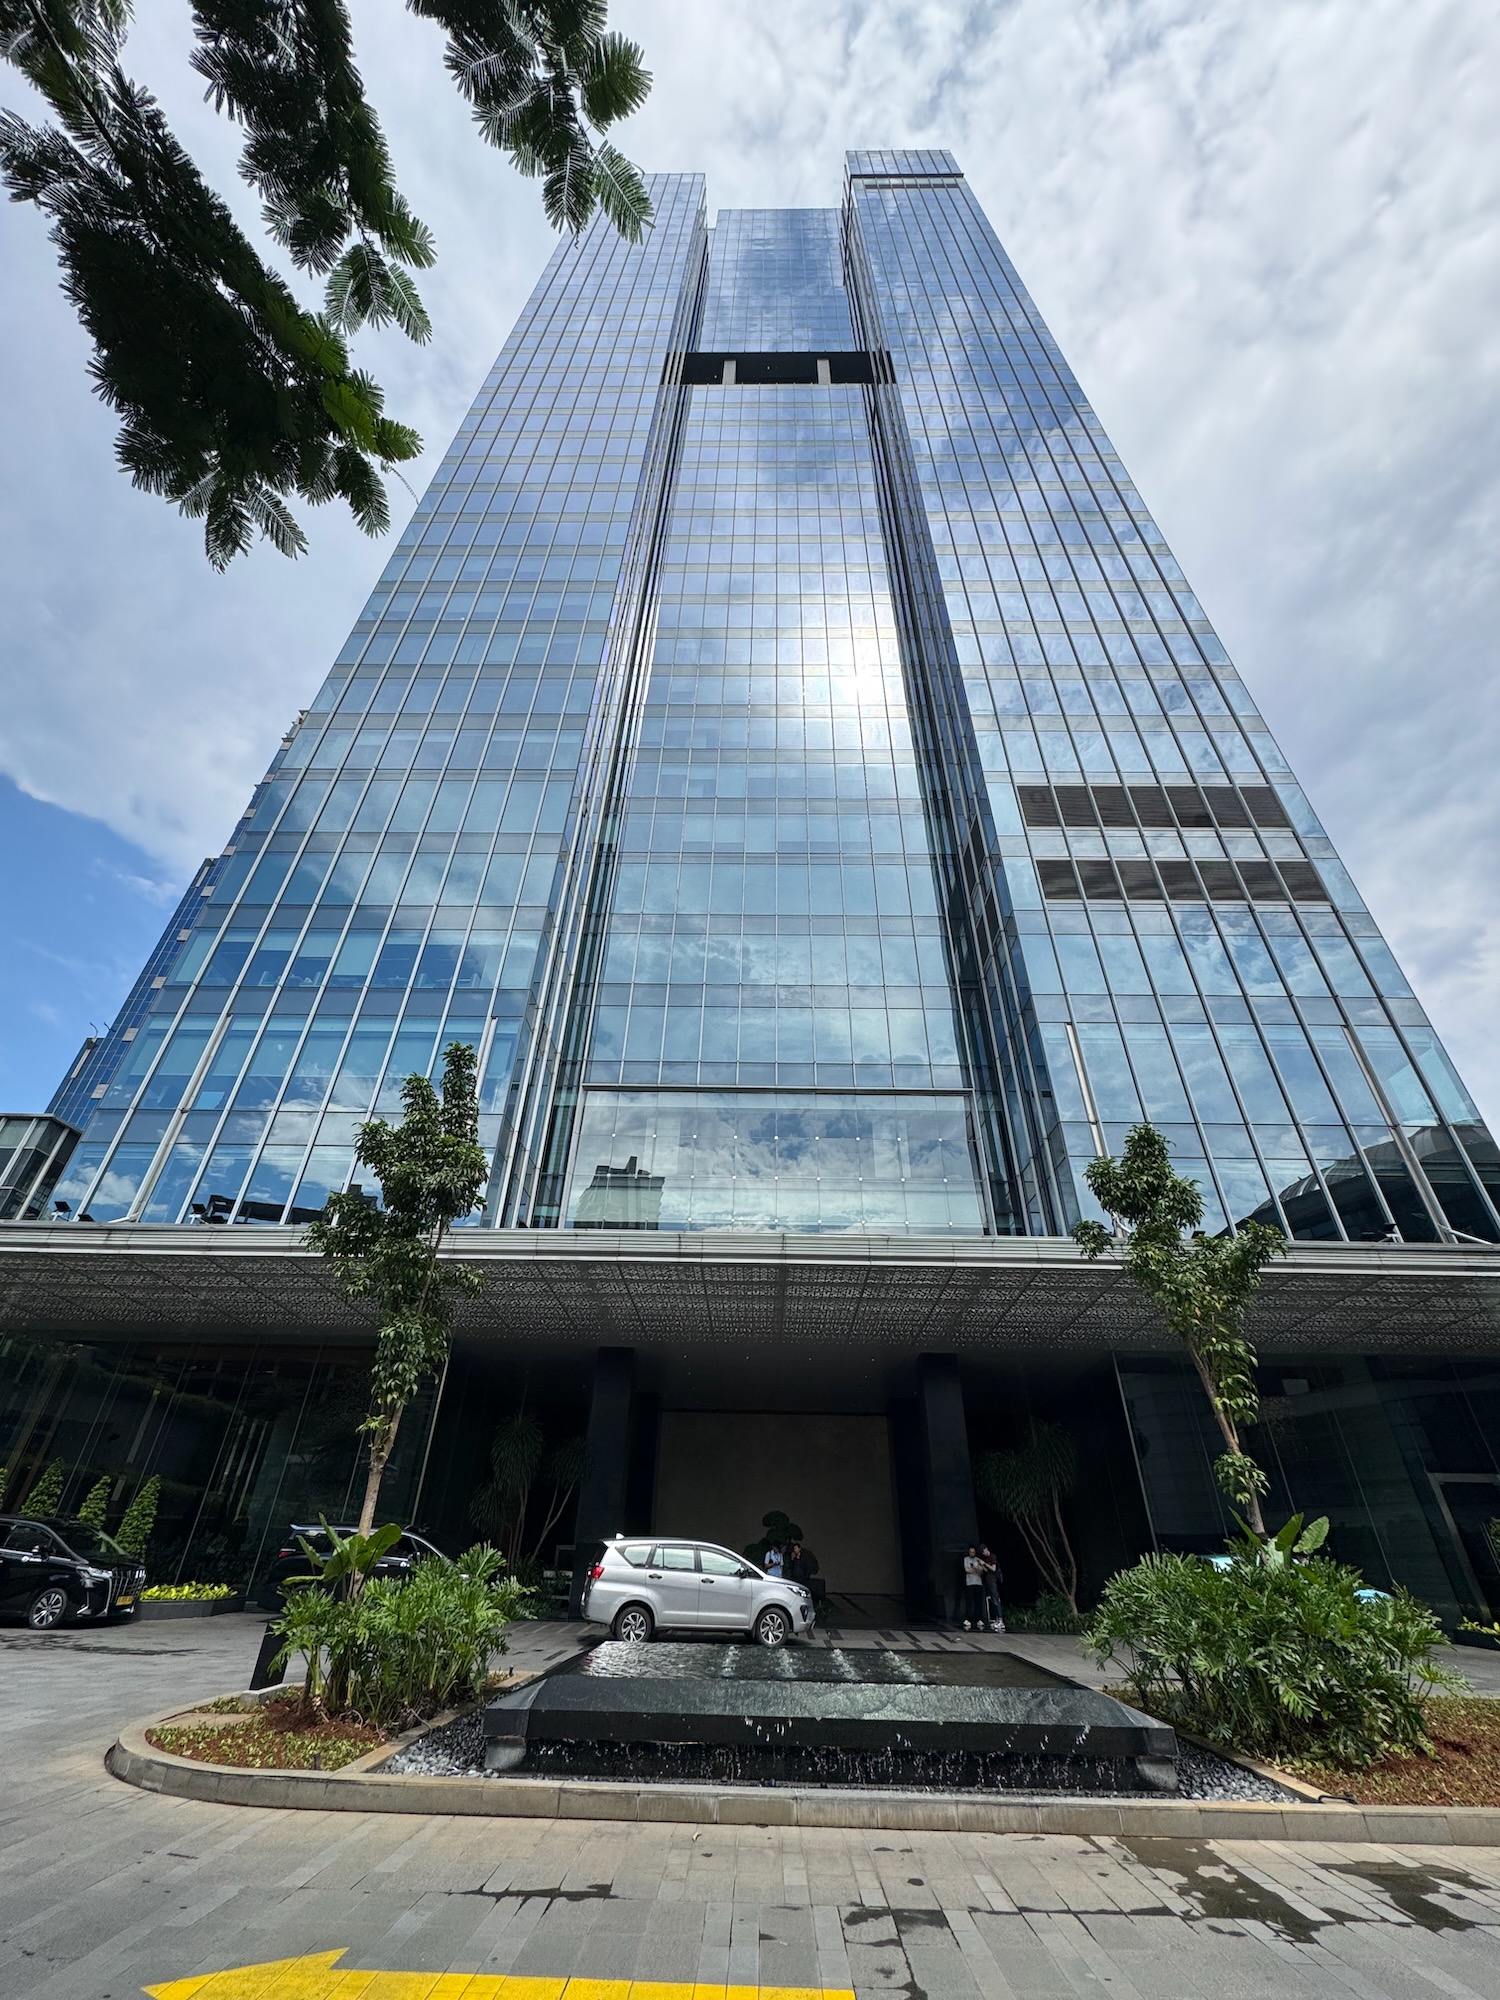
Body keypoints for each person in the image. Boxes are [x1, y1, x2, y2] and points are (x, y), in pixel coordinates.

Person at [979, 1544, 1005, 1633]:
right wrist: (982, 1566)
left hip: (993, 1580)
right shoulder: (985, 1559)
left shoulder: (992, 1556)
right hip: (989, 1580)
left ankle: (1000, 1619)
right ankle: (997, 1619)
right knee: (993, 1600)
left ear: (986, 1549)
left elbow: (993, 1569)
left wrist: (985, 1564)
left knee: (995, 1599)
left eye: (983, 1551)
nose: (984, 1554)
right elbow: (987, 1570)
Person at [960, 1545, 986, 1630]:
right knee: (969, 1602)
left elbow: (981, 1571)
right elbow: (967, 1570)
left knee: (978, 1602)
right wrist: (976, 1570)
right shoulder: (966, 1559)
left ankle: (979, 1619)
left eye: (973, 1552)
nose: (972, 1553)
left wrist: (974, 1569)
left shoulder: (978, 1560)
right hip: (970, 1583)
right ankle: (968, 1619)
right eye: (970, 1552)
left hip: (978, 1583)